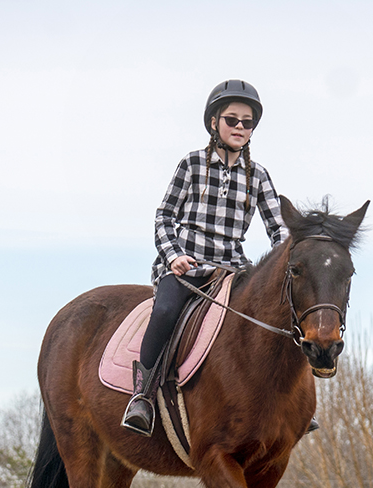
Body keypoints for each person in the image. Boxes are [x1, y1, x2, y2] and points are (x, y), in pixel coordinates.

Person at [122, 79, 286, 436]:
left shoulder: (258, 176)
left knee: (271, 320)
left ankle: (283, 402)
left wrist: (287, 261)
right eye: (232, 120)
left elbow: (280, 230)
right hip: (187, 264)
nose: (240, 127)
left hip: (232, 270)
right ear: (214, 123)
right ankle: (142, 395)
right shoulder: (192, 164)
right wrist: (173, 256)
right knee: (164, 311)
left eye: (248, 122)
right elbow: (164, 215)